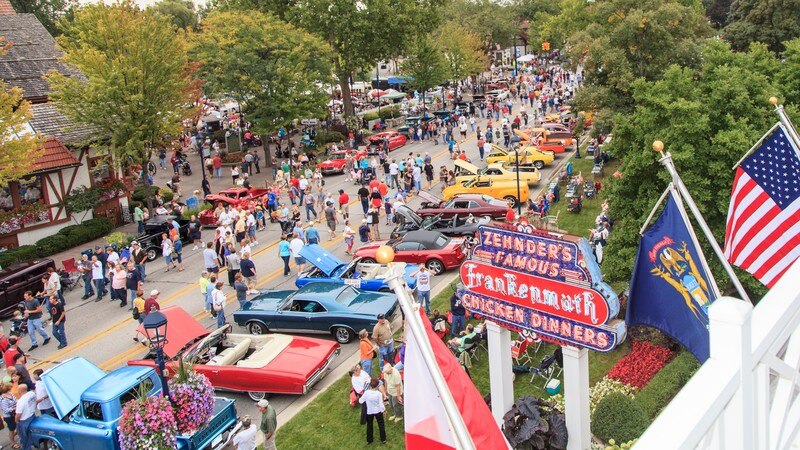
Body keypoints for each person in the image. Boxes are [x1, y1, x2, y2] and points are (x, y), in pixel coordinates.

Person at [359, 378, 387, 445]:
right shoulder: (379, 394)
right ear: (377, 386)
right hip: (378, 412)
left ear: (370, 385)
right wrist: (384, 411)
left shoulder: (366, 393)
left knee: (369, 425)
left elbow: (360, 401)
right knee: (381, 425)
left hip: (369, 412)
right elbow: (381, 404)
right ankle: (383, 439)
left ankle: (369, 440)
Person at [15, 384, 35, 450]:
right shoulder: (31, 393)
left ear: (20, 390)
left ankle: (26, 448)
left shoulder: (20, 401)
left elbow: (18, 414)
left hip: (24, 420)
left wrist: (17, 421)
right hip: (32, 415)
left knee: (23, 437)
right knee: (30, 434)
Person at [0, 383, 18, 449]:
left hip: (16, 413)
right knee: (12, 429)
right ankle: (13, 442)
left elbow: (16, 400)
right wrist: (14, 408)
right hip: (9, 417)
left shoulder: (11, 393)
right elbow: (5, 410)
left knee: (19, 426)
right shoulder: (3, 399)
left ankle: (17, 433)